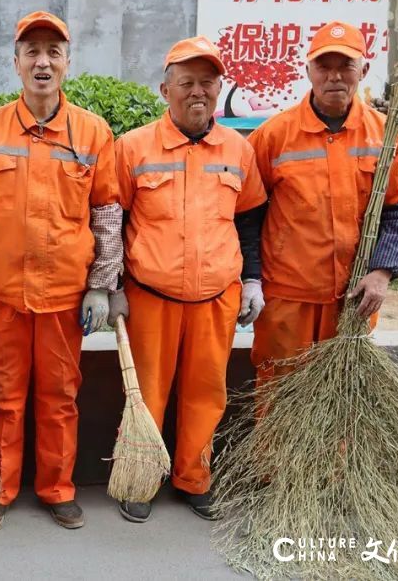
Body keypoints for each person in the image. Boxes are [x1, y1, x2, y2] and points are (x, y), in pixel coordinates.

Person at [0, 11, 121, 531]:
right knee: (2, 398)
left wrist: (100, 286)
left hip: (63, 298)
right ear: (16, 63)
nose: (42, 62)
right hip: (4, 295)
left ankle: (57, 488)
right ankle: (0, 488)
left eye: (53, 52)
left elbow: (107, 213)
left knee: (59, 398)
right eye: (32, 52)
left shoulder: (93, 132)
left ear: (68, 64)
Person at [108, 36, 268, 523]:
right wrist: (110, 286)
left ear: (219, 88)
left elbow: (250, 220)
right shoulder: (133, 147)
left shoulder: (238, 149)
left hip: (216, 297)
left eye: (207, 82)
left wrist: (254, 280)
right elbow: (112, 220)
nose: (197, 92)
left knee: (205, 393)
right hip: (150, 295)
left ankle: (194, 478)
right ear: (164, 89)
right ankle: (142, 477)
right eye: (186, 83)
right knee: (147, 392)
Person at [248, 21, 398, 384]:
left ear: (364, 70)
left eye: (346, 66)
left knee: (341, 405)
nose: (335, 77)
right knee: (279, 398)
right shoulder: (273, 136)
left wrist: (382, 272)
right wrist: (250, 279)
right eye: (324, 66)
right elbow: (247, 212)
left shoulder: (386, 136)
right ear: (308, 70)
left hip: (354, 297)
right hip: (287, 296)